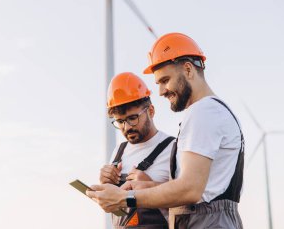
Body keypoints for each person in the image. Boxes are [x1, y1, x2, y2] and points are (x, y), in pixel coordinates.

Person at [87, 33, 245, 229]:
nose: (161, 91)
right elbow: (204, 190)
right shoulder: (212, 110)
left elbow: (190, 190)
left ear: (188, 69)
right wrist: (150, 187)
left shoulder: (203, 111)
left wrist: (126, 198)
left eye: (165, 80)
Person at [102, 72, 175, 229]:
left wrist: (150, 186)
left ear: (151, 111)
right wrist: (106, 187)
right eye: (120, 122)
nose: (127, 127)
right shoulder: (118, 152)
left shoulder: (173, 149)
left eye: (132, 118)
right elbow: (117, 209)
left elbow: (189, 205)